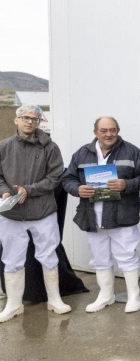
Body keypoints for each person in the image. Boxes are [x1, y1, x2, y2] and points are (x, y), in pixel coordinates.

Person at [61, 116, 140, 313]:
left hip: (122, 215)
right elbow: (68, 179)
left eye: (113, 130)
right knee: (99, 258)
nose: (109, 134)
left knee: (127, 255)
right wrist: (78, 189)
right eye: (104, 130)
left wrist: (126, 184)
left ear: (118, 130)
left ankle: (134, 296)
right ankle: (105, 295)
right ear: (95, 132)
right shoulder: (82, 153)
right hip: (92, 215)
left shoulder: (131, 151)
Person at [0, 105, 71, 322]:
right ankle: (13, 304)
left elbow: (55, 177)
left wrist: (29, 190)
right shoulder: (4, 147)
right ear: (16, 120)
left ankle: (54, 299)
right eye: (25, 118)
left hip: (43, 212)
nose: (30, 122)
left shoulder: (50, 147)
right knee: (12, 259)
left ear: (40, 122)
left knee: (48, 256)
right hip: (12, 214)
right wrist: (4, 192)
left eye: (35, 119)